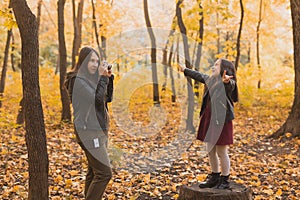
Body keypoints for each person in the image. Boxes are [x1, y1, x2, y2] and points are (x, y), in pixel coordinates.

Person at [179, 58, 238, 189]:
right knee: (210, 149)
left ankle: (225, 179)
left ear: (225, 70)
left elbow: (230, 85)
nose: (213, 66)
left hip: (221, 121)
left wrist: (226, 82)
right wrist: (185, 70)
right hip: (209, 118)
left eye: (216, 65)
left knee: (221, 151)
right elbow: (199, 75)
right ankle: (215, 176)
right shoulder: (211, 80)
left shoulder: (227, 82)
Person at [69, 46, 113, 199]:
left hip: (99, 130)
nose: (95, 64)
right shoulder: (77, 80)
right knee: (104, 173)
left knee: (94, 172)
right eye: (91, 61)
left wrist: (108, 78)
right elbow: (96, 99)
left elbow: (107, 99)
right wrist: (102, 79)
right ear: (83, 61)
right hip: (88, 131)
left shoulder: (90, 79)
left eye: (97, 61)